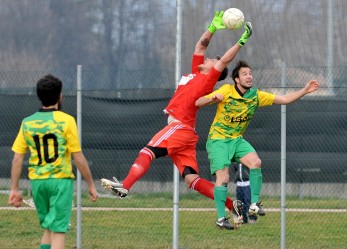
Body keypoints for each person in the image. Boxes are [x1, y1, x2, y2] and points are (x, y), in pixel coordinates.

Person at [101, 11, 253, 230]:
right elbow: (200, 47)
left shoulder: (208, 79)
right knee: (192, 180)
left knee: (148, 151)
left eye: (213, 61)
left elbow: (226, 60)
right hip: (185, 133)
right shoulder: (195, 73)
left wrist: (241, 41)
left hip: (179, 127)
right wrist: (213, 27)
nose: (209, 58)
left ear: (215, 70)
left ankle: (125, 186)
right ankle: (232, 205)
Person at [195, 60, 320, 222]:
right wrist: (213, 98)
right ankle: (221, 218)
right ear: (236, 80)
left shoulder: (256, 96)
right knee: (224, 177)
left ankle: (254, 204)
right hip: (218, 140)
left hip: (236, 140)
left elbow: (284, 99)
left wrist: (304, 91)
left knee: (256, 163)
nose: (249, 76)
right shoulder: (226, 90)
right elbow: (198, 102)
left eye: (250, 73)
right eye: (244, 74)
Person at [8, 74, 98, 249]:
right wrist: (91, 185)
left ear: (39, 97)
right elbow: (77, 157)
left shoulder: (27, 123)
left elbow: (17, 158)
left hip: (38, 183)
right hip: (60, 182)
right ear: (60, 96)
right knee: (58, 232)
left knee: (49, 228)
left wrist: (14, 188)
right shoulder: (67, 121)